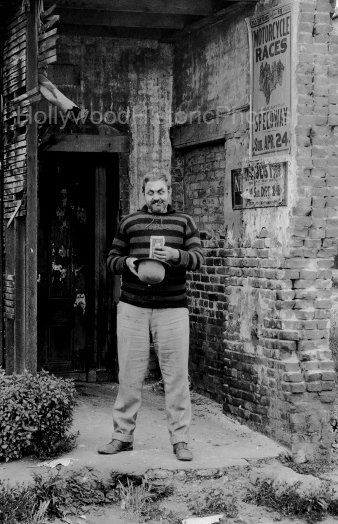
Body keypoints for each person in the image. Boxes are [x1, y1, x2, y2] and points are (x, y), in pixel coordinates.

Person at [98, 169, 203, 462]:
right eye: (151, 192)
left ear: (169, 192)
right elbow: (111, 260)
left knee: (176, 378)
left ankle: (180, 440)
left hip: (173, 309)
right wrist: (128, 262)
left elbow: (198, 259)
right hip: (132, 308)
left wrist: (176, 256)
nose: (156, 197)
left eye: (161, 191)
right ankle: (122, 436)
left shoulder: (184, 222)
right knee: (129, 376)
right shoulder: (130, 222)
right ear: (143, 194)